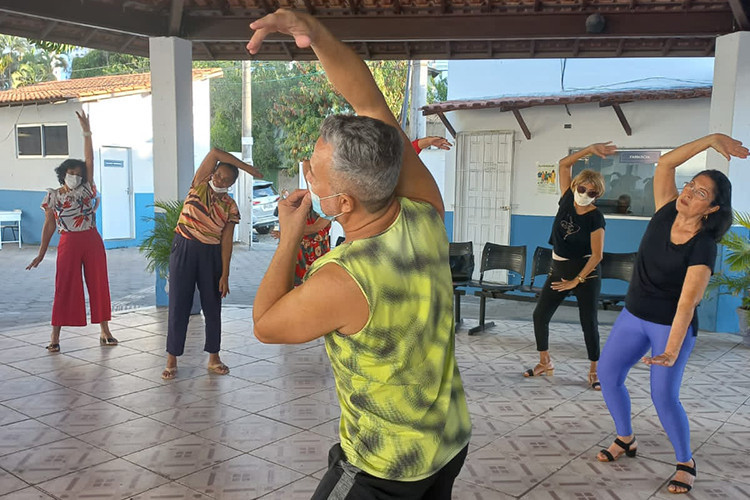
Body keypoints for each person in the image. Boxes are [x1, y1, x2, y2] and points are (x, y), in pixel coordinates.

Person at [248, 10, 471, 498]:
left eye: (314, 175)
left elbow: (265, 325)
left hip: (385, 467)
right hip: (447, 441)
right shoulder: (425, 210)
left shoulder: (340, 278)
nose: (306, 172)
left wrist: (289, 237)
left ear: (340, 204)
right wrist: (315, 33)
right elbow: (367, 98)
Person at [597, 134, 747, 494]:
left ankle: (685, 460)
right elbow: (665, 164)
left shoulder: (704, 246)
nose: (689, 193)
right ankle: (626, 438)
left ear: (712, 209)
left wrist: (671, 349)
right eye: (691, 185)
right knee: (608, 372)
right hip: (633, 316)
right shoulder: (666, 210)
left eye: (701, 194)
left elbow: (687, 303)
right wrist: (711, 140)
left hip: (670, 326)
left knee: (663, 395)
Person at [161, 148, 262, 380]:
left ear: (231, 184)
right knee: (178, 305)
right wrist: (247, 168)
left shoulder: (230, 206)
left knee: (212, 306)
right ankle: (171, 358)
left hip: (211, 254)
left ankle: (214, 357)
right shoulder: (198, 184)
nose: (219, 180)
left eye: (226, 179)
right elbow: (216, 152)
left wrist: (225, 274)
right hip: (183, 248)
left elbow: (226, 241)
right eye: (218, 175)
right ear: (213, 173)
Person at [524, 142, 616, 390]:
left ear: (598, 196)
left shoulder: (596, 217)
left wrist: (576, 281)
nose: (586, 194)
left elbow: (597, 255)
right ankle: (545, 362)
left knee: (589, 321)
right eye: (583, 188)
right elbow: (564, 165)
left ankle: (595, 371)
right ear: (575, 186)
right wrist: (589, 149)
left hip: (585, 273)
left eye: (593, 192)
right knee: (540, 315)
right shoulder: (566, 199)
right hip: (559, 269)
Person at [26, 111, 117, 352]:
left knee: (99, 283)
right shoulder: (53, 196)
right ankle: (55, 335)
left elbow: (90, 159)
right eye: (72, 173)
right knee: (64, 285)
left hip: (92, 240)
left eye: (79, 174)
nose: (76, 176)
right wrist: (42, 252)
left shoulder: (87, 189)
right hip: (67, 242)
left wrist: (86, 131)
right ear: (63, 174)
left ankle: (104, 330)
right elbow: (49, 225)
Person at [271, 162, 332, 286]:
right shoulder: (305, 199)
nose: (309, 179)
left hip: (317, 255)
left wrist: (288, 232)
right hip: (299, 254)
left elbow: (317, 227)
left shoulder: (329, 203)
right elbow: (306, 163)